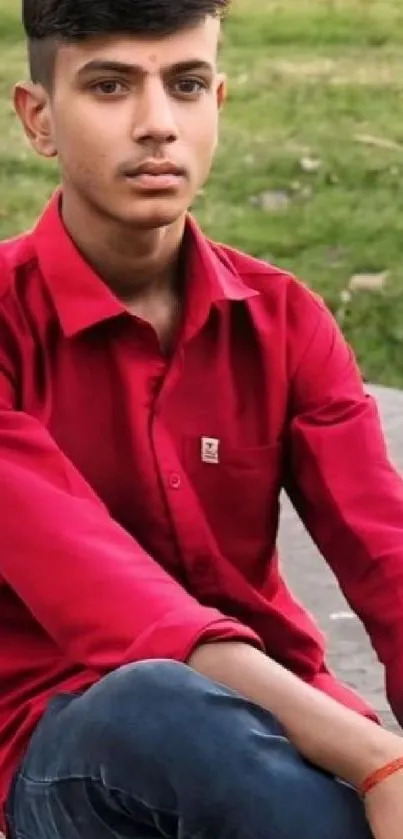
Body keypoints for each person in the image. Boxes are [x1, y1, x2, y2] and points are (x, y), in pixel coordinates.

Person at [2, 0, 403, 836]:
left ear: (215, 103)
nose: (156, 125)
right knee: (164, 704)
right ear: (38, 118)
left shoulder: (284, 318)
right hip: (63, 743)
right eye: (110, 86)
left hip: (279, 728)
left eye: (184, 85)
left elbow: (384, 557)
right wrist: (375, 758)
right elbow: (117, 606)